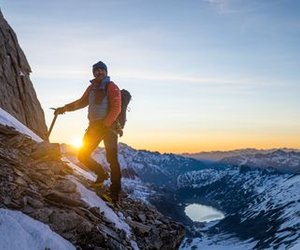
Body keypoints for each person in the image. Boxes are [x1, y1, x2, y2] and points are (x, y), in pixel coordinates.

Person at [55, 61, 122, 201]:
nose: (99, 72)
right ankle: (101, 174)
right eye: (96, 70)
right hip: (94, 127)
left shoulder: (112, 86)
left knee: (112, 160)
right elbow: (81, 102)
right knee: (82, 155)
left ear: (106, 72)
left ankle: (114, 194)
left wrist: (105, 124)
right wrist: (64, 108)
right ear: (93, 73)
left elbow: (117, 108)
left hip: (108, 128)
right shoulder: (91, 88)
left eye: (102, 70)